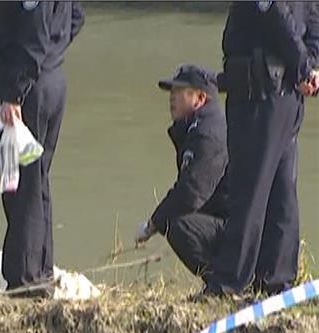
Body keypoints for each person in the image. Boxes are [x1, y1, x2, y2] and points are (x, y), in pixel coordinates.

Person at [203, 1, 319, 298]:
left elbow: (272, 10)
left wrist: (305, 66)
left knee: (248, 189)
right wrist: (310, 66)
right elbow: (313, 19)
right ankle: (275, 281)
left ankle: (229, 283)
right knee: (282, 192)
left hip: (260, 94)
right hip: (286, 93)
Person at [0, 1, 85, 297]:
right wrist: (53, 54)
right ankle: (41, 273)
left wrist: (14, 94)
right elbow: (76, 16)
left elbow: (34, 36)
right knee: (37, 182)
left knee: (22, 187)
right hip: (47, 81)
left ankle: (25, 283)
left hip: (27, 93)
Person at [135, 65, 229, 283]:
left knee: (177, 224)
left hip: (235, 227)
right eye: (172, 91)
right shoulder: (201, 126)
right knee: (176, 215)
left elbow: (190, 193)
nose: (172, 97)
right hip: (224, 219)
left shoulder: (208, 134)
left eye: (179, 91)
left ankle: (221, 284)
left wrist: (153, 224)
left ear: (200, 98)